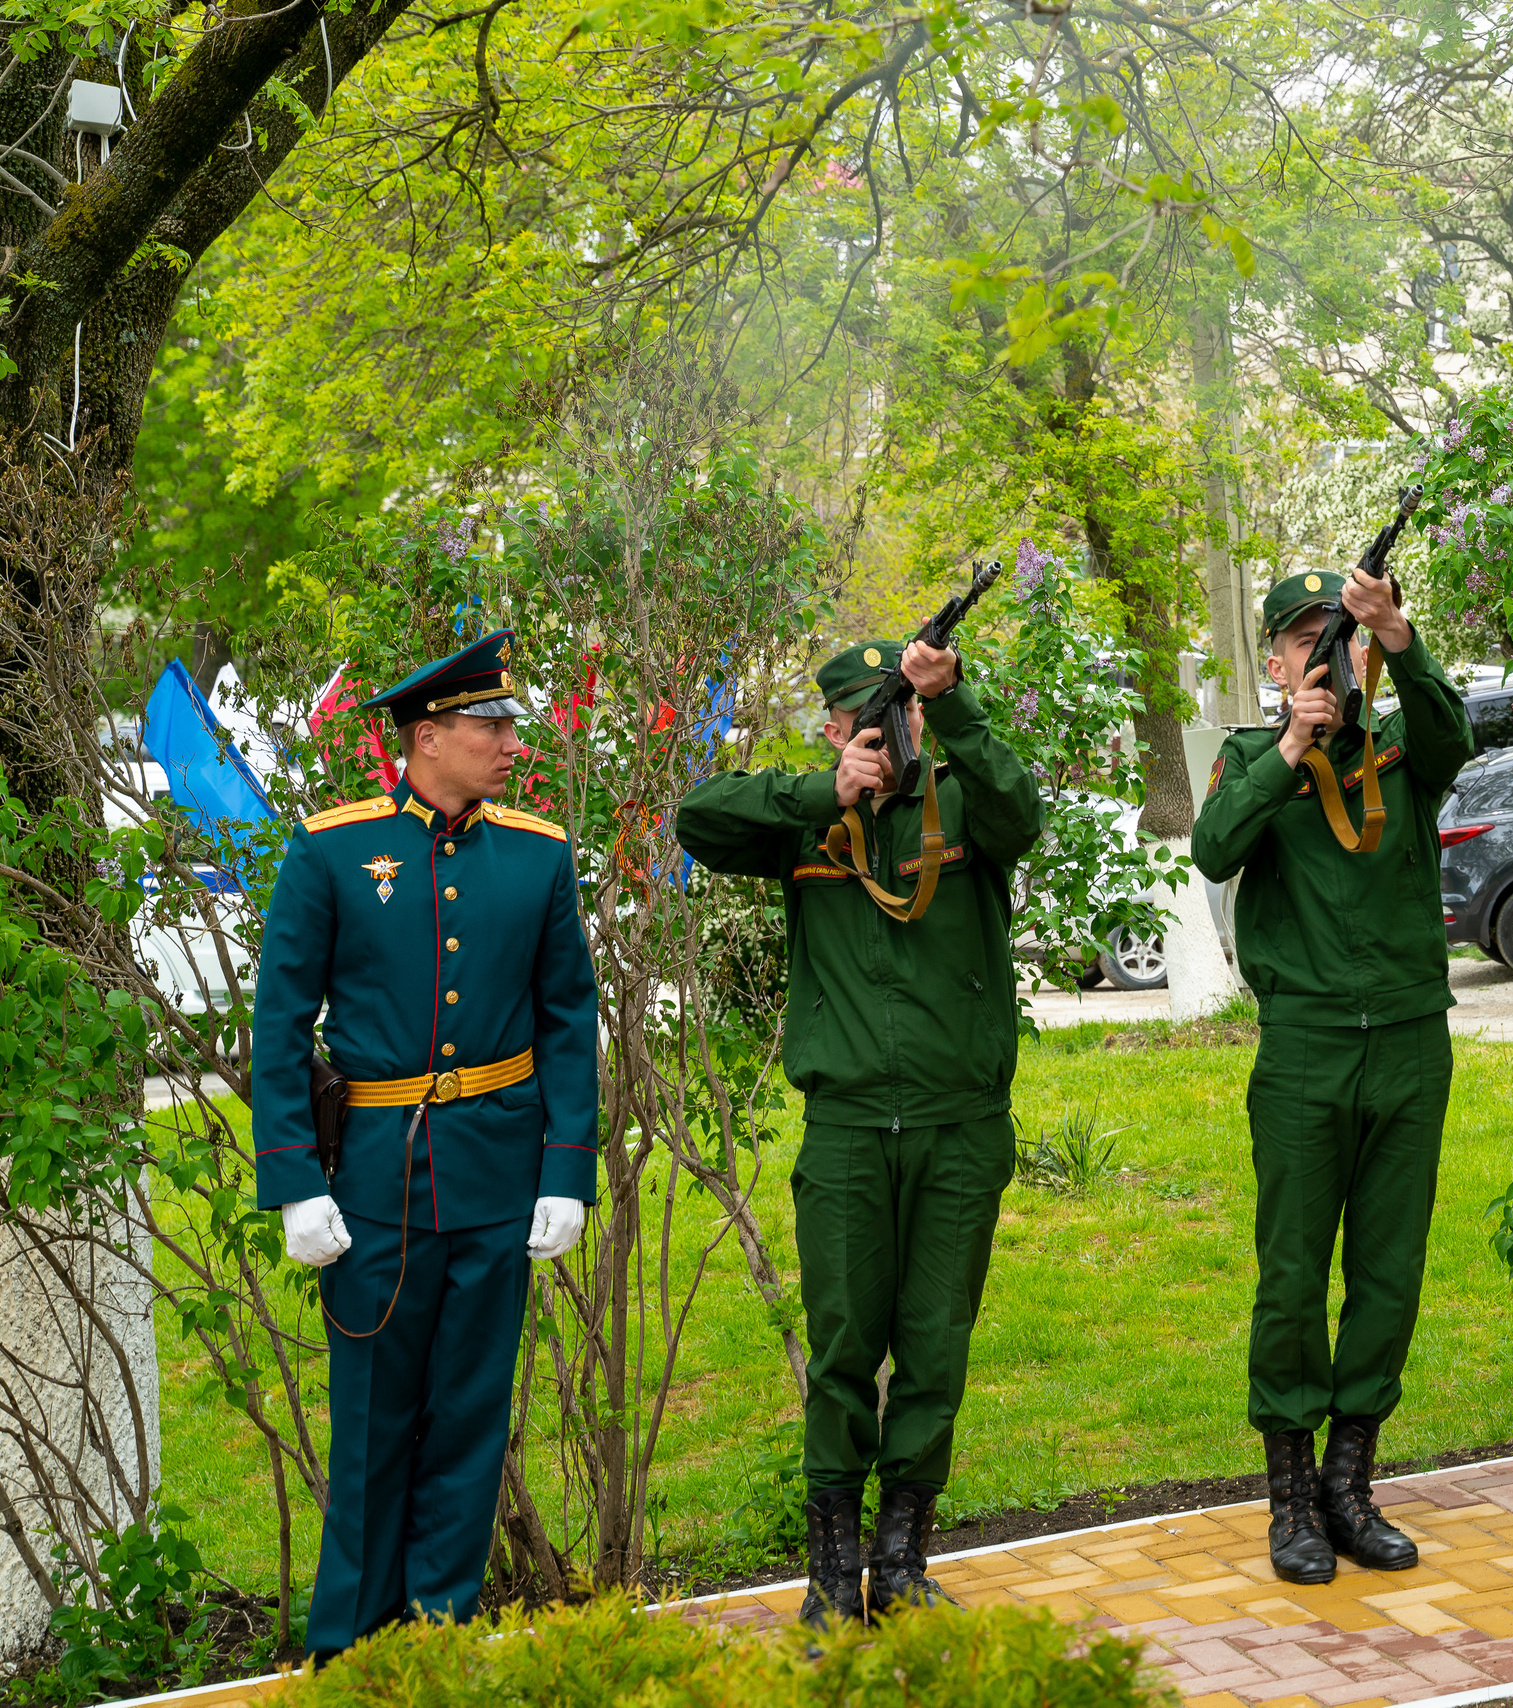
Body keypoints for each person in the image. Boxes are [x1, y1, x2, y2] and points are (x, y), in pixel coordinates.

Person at [673, 633, 1041, 1625]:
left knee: (934, 1345)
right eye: (871, 722)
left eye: (902, 718)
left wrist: (952, 701)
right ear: (836, 729)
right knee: (843, 1349)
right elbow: (694, 819)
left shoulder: (963, 801)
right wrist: (822, 790)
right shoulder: (806, 819)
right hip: (844, 1127)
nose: (893, 736)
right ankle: (833, 1577)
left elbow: (1026, 812)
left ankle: (902, 1563)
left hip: (957, 1123)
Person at [252, 630, 599, 1666]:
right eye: (490, 727)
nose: (508, 745)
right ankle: (350, 1655)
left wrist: (565, 1169)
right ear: (429, 735)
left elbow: (568, 1017)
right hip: (372, 1187)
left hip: (497, 1181)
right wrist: (294, 1183)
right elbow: (279, 1025)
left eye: (506, 726)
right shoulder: (331, 850)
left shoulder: (536, 852)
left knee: (469, 1423)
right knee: (370, 1430)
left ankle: (438, 1644)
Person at [1191, 562, 1475, 1586]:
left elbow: (1455, 736)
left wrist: (1397, 631)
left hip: (1407, 1037)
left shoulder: (1403, 746)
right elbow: (1214, 850)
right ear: (1273, 662)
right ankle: (1291, 1498)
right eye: (1307, 641)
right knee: (1294, 1275)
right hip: (1306, 1043)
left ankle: (1353, 1486)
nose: (1326, 655)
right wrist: (1290, 747)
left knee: (1389, 1271)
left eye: (1339, 639)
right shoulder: (1247, 755)